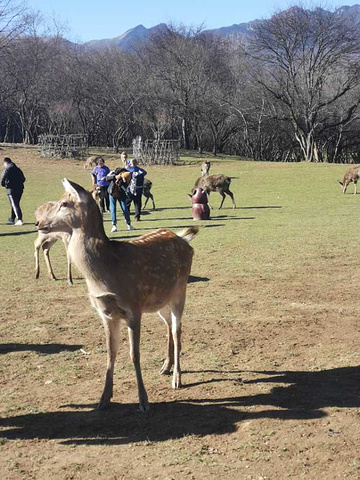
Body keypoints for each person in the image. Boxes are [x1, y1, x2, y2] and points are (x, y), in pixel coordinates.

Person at [106, 167, 134, 232]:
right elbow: (106, 178)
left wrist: (121, 181)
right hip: (112, 193)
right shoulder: (113, 173)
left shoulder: (128, 176)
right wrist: (115, 177)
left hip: (121, 194)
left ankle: (128, 224)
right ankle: (114, 225)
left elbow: (125, 185)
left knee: (125, 208)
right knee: (113, 209)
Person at [1, 157, 26, 225]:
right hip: (20, 189)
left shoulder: (7, 169)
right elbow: (23, 179)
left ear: (6, 163)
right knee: (15, 203)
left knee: (15, 204)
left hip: (11, 189)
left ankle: (19, 219)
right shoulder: (18, 169)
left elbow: (3, 178)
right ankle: (12, 218)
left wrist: (4, 184)